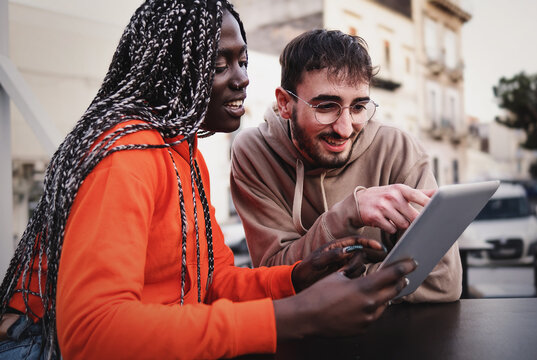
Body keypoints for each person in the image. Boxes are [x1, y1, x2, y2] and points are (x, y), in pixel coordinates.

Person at [0, 2, 417, 359]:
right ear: (168, 70)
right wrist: (295, 316)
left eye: (242, 61)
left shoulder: (183, 152)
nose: (242, 78)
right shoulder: (126, 159)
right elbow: (91, 334)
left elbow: (214, 284)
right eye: (218, 65)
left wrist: (297, 278)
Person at [230, 29, 462, 302]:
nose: (344, 129)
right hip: (302, 339)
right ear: (285, 104)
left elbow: (442, 281)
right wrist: (347, 214)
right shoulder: (254, 152)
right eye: (326, 106)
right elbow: (273, 279)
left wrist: (330, 286)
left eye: (358, 107)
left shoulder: (398, 149)